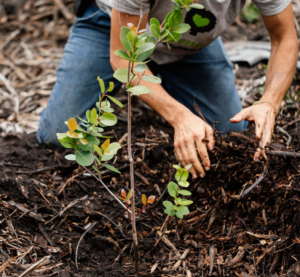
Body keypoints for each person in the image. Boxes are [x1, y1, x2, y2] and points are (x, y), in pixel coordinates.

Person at [37, 0, 298, 178]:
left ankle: (158, 80)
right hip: (111, 27)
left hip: (187, 42)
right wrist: (179, 117)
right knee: (60, 137)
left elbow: (285, 37)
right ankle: (152, 86)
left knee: (228, 132)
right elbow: (126, 59)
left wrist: (269, 102)